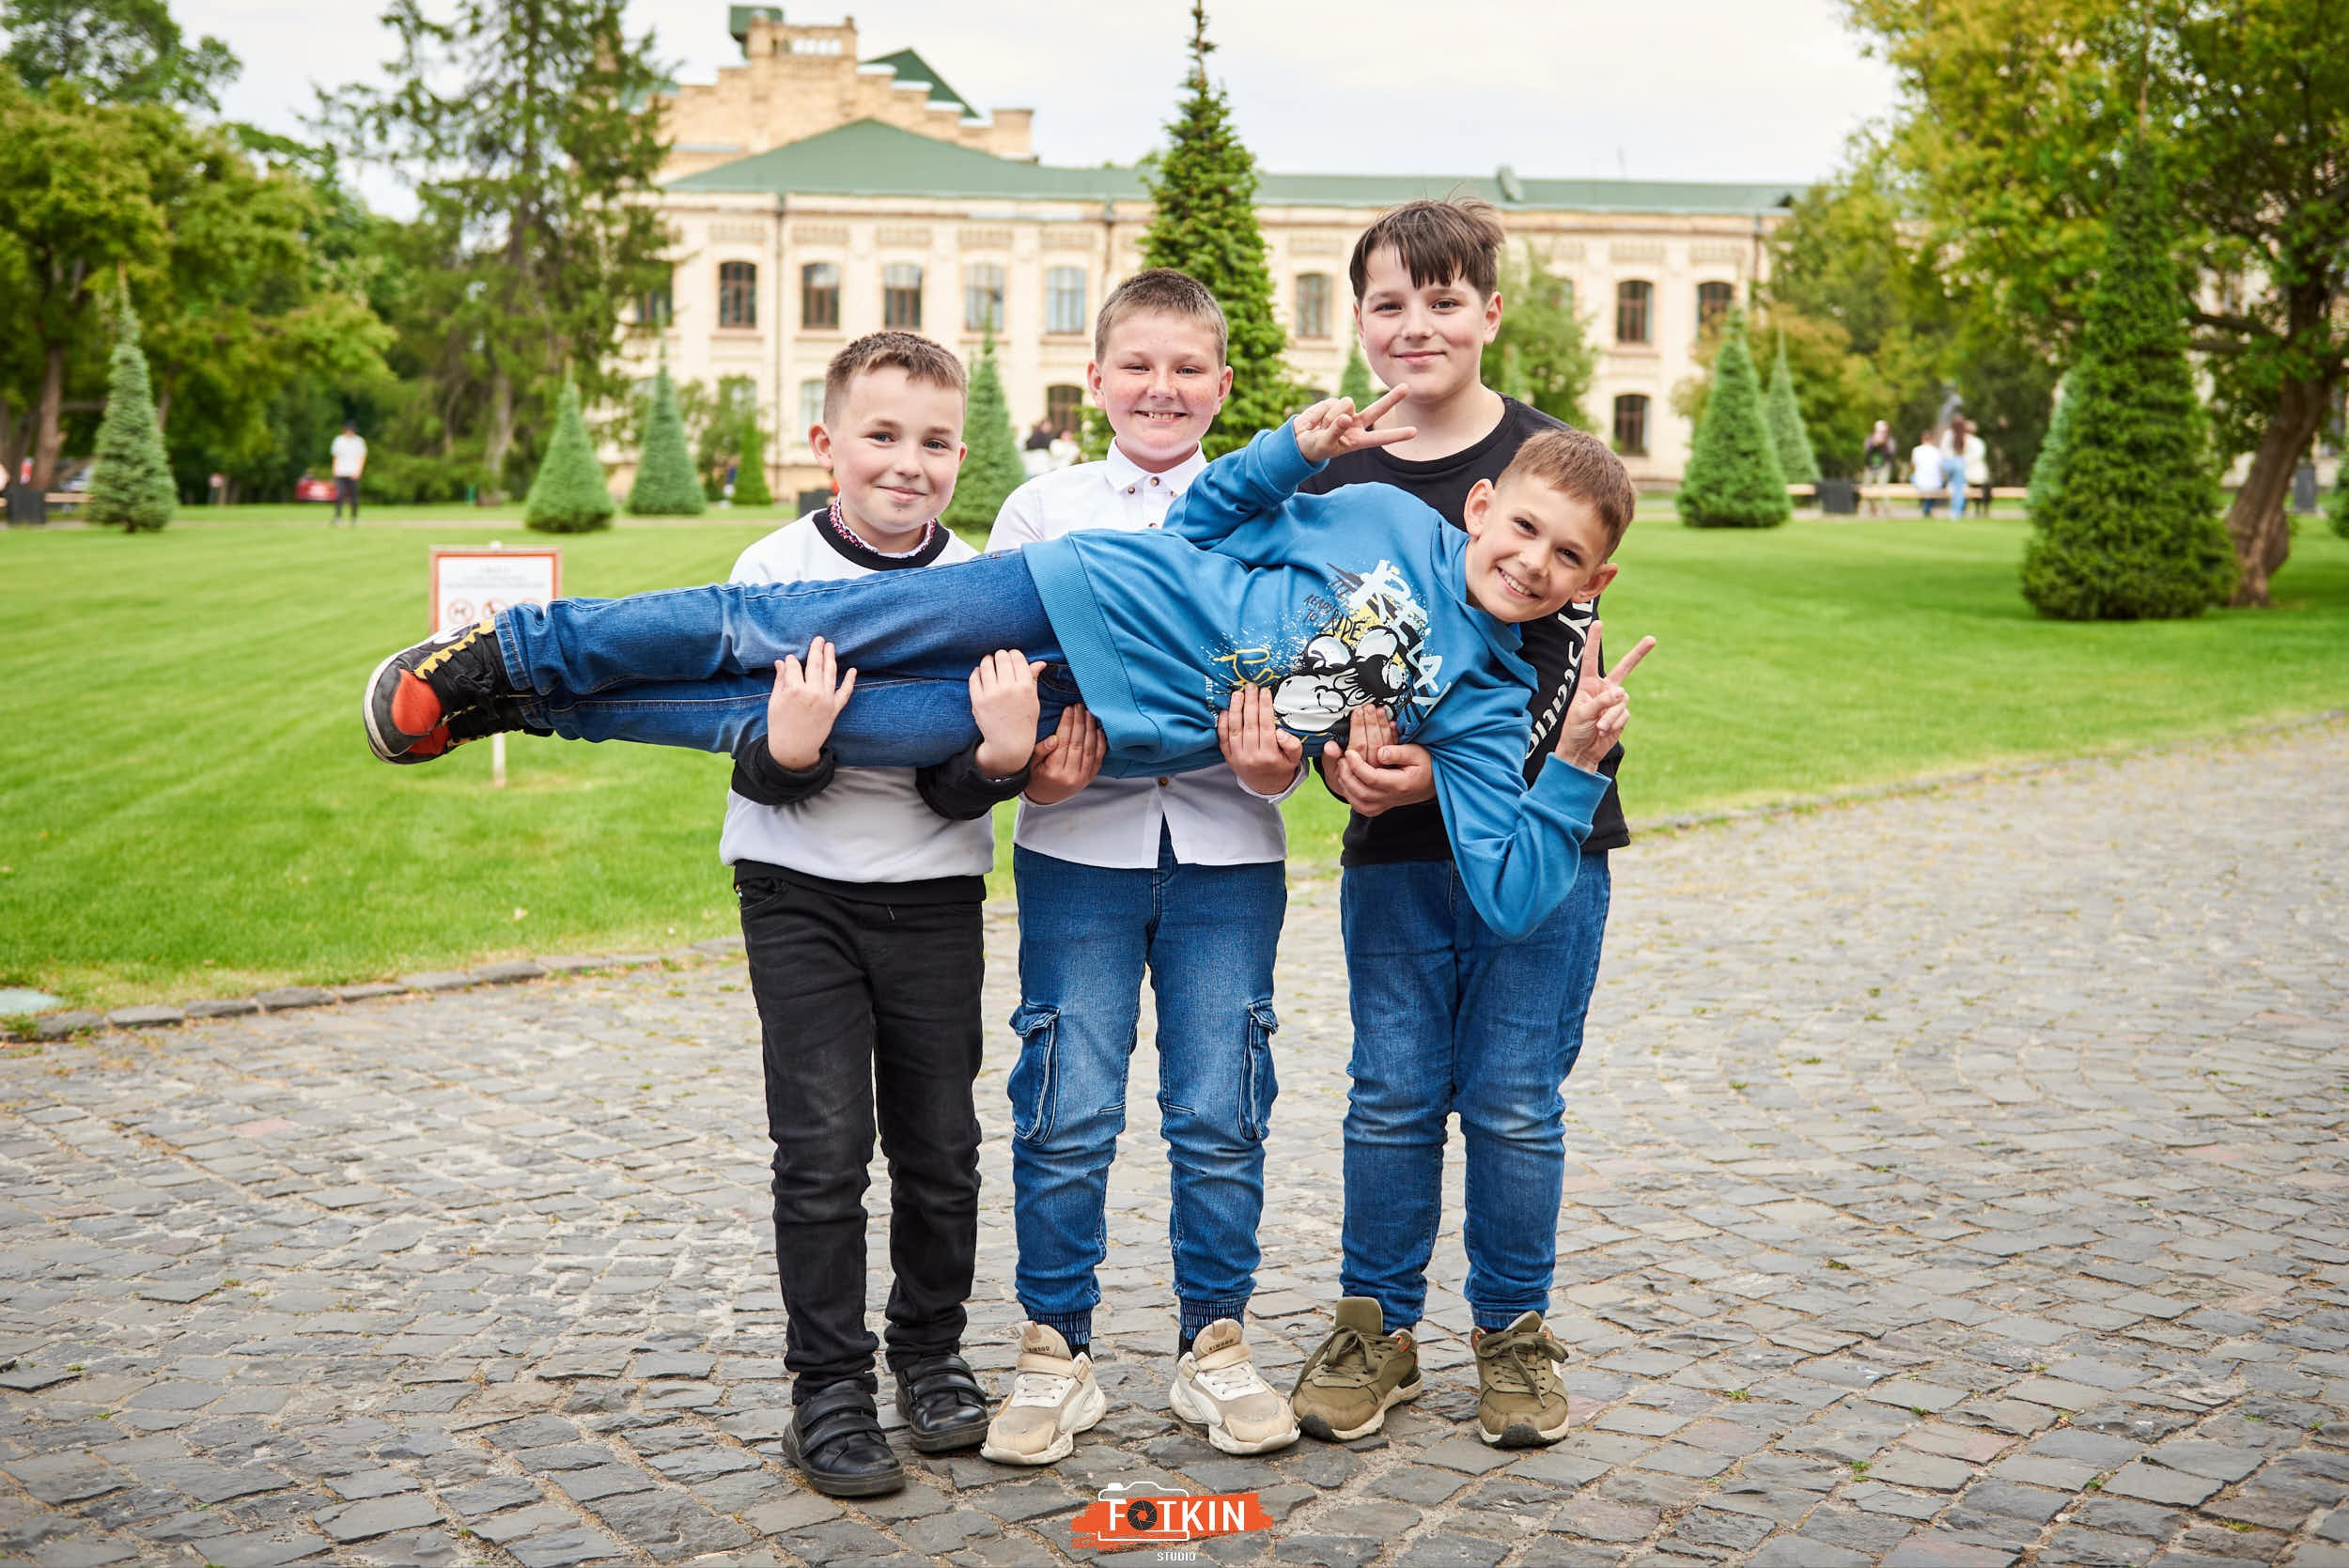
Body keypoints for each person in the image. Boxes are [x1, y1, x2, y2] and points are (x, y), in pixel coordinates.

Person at [361, 395, 1644, 949]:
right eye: (1523, 527)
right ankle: (513, 648)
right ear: (1482, 506)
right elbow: (1196, 528)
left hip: (1091, 716)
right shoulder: (1375, 515)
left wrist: (1574, 768)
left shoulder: (1478, 705)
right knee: (777, 627)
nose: (1532, 561)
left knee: (835, 720)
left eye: (1565, 556)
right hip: (1067, 588)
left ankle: (523, 710)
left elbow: (1516, 892)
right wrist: (1279, 455)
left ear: (1590, 582)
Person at [1284, 196, 1630, 1451]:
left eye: (1443, 301)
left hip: (1541, 841)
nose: (1415, 324)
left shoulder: (1557, 467)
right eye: (1390, 302)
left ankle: (1515, 1336)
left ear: (1490, 311)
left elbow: (1564, 680)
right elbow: (1321, 669)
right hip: (1393, 861)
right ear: (1361, 318)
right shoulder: (1336, 473)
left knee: (1516, 1103)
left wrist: (1440, 771)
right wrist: (1340, 763)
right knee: (1388, 1097)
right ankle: (1375, 1329)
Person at [978, 271, 1305, 1467]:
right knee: (1064, 1103)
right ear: (1095, 380)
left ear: (1223, 386)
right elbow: (999, 692)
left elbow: (1304, 708)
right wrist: (1034, 776)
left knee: (1221, 1106)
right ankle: (1052, 1351)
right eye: (1138, 366)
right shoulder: (1043, 510)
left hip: (1228, 849)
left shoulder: (1277, 521)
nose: (1161, 388)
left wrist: (1272, 768)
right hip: (1077, 851)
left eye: (1186, 369)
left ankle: (1213, 1346)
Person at [716, 333, 1039, 1498]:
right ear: (828, 446)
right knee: (820, 1150)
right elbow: (743, 753)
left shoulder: (980, 587)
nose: (909, 462)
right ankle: (827, 1390)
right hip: (796, 889)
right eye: (883, 435)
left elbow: (950, 778)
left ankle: (931, 1355)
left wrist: (1001, 761)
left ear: (961, 454)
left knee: (941, 1146)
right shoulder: (772, 566)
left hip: (933, 893)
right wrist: (787, 750)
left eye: (935, 441)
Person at [330, 421, 366, 523]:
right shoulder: (339, 440)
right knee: (340, 495)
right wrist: (334, 471)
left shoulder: (359, 441)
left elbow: (362, 457)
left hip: (353, 472)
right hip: (340, 472)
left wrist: (359, 471)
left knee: (354, 496)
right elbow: (336, 457)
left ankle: (354, 518)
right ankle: (338, 517)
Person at [1860, 421, 1896, 518]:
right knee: (1867, 487)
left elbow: (1892, 454)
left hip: (1883, 466)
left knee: (1882, 486)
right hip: (1870, 466)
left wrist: (1883, 444)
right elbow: (1866, 452)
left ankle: (1887, 508)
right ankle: (1870, 508)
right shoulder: (1870, 439)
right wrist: (1874, 444)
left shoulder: (1889, 440)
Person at [1940, 415, 1971, 519]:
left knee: (1955, 486)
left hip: (1949, 463)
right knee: (1959, 489)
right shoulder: (1965, 436)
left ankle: (1948, 484)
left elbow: (1943, 451)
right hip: (1960, 463)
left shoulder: (1948, 434)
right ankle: (1956, 513)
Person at [1911, 428, 1945, 518]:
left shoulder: (1917, 450)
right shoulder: (1937, 451)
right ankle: (1927, 507)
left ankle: (1926, 507)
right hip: (1935, 482)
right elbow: (1940, 468)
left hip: (1920, 482)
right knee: (1935, 485)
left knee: (1914, 478)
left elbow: (1914, 466)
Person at [1961, 420, 1991, 517]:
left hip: (1970, 472)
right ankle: (1982, 510)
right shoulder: (1978, 442)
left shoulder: (1965, 441)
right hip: (1974, 472)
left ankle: (1973, 509)